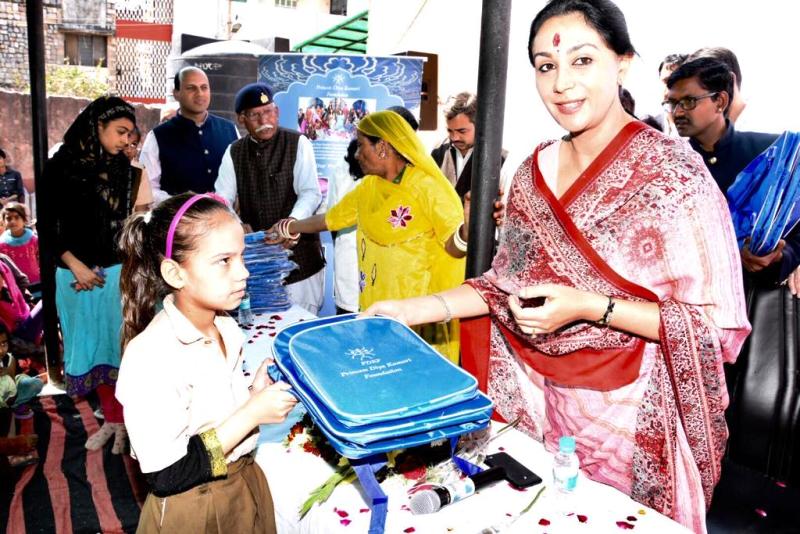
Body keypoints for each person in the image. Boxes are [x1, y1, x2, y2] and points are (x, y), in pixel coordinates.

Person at [365, 1, 750, 531]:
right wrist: (405, 310)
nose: (562, 83)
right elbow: (502, 287)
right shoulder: (529, 171)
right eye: (546, 66)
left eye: (582, 60)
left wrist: (591, 307)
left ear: (623, 62)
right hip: (531, 403)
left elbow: (714, 327)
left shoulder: (673, 175)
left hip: (630, 419)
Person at [116, 193, 297, 533]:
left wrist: (250, 394)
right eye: (224, 261)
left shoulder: (225, 328)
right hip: (195, 509)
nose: (243, 272)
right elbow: (166, 474)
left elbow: (207, 412)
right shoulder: (151, 356)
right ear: (175, 273)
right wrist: (251, 415)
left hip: (243, 486)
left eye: (241, 257)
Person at [268, 110, 469, 362]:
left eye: (362, 145)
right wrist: (289, 227)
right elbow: (331, 219)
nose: (356, 154)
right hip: (377, 309)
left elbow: (453, 248)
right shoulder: (368, 188)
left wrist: (466, 231)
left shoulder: (427, 188)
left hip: (417, 314)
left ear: (383, 147)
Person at [48, 96, 153, 453]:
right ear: (97, 128)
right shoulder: (60, 167)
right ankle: (112, 420)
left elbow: (139, 227)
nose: (127, 139)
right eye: (120, 132)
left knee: (122, 352)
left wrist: (133, 164)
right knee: (93, 354)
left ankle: (129, 425)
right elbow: (46, 226)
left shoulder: (131, 173)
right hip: (73, 278)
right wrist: (76, 265)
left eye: (131, 133)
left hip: (117, 277)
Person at [215, 83, 325, 314]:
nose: (264, 119)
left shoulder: (297, 143)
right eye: (255, 115)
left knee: (301, 325)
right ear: (241, 119)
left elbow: (310, 192)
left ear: (277, 112)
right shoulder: (234, 152)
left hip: (301, 261)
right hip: (258, 264)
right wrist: (235, 223)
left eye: (269, 111)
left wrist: (292, 223)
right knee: (261, 329)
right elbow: (222, 200)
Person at [139, 67, 239, 204]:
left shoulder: (229, 129)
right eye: (191, 88)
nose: (200, 94)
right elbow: (148, 188)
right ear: (176, 94)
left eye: (204, 87)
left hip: (226, 220)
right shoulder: (158, 137)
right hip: (179, 220)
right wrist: (183, 203)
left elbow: (243, 176)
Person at [431, 92, 508, 200]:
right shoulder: (438, 151)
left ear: (480, 125)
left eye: (462, 131)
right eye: (449, 130)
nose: (454, 137)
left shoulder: (499, 158)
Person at [0, 202, 39, 285]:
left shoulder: (34, 239)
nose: (13, 221)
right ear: (4, 222)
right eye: (9, 218)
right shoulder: (2, 244)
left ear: (24, 220)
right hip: (15, 285)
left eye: (17, 217)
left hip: (36, 282)